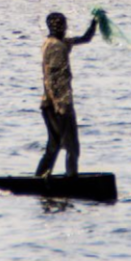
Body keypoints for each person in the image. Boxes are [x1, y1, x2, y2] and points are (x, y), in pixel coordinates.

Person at [36, 11, 99, 178]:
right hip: (59, 104)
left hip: (48, 104)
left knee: (54, 145)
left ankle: (40, 178)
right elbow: (53, 78)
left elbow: (84, 39)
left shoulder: (54, 42)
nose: (64, 27)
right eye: (62, 25)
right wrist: (60, 106)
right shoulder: (56, 46)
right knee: (72, 147)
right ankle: (71, 180)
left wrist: (94, 25)